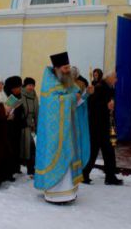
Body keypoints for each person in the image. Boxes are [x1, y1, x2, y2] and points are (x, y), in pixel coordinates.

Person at [34, 52, 91, 204]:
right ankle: (55, 194)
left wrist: (83, 96)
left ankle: (69, 193)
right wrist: (72, 98)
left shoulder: (68, 83)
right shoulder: (50, 83)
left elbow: (74, 103)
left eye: (68, 67)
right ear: (57, 68)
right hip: (55, 135)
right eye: (65, 68)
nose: (68, 70)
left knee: (69, 160)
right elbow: (54, 105)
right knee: (58, 158)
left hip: (69, 131)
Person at [83, 71, 122, 185]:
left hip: (105, 124)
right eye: (115, 77)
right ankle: (84, 174)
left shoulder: (109, 88)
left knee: (108, 150)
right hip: (97, 125)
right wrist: (107, 106)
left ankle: (110, 176)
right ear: (108, 78)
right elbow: (92, 105)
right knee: (94, 151)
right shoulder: (100, 88)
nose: (116, 80)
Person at [4, 76, 25, 177]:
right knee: (9, 149)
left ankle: (16, 167)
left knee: (16, 147)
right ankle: (8, 171)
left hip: (17, 126)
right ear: (12, 88)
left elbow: (21, 111)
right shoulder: (6, 96)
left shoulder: (20, 96)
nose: (20, 89)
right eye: (18, 87)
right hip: (7, 127)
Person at [21, 77, 39, 176]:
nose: (31, 87)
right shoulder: (21, 95)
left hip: (31, 126)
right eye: (29, 85)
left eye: (33, 85)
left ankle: (31, 169)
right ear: (25, 85)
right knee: (22, 147)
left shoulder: (34, 96)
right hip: (22, 125)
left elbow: (37, 111)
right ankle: (17, 167)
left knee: (31, 147)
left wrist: (36, 124)